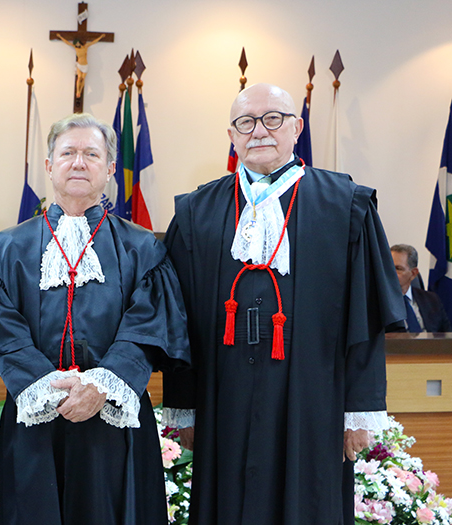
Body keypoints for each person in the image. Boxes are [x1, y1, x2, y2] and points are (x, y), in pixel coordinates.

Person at [162, 83, 405, 525]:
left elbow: (366, 318)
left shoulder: (346, 205)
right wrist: (185, 405)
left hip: (315, 399)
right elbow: (180, 321)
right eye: (246, 122)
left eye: (273, 118)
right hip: (223, 397)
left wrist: (360, 409)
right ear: (232, 136)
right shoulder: (197, 212)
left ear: (297, 127)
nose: (260, 131)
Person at [0, 113, 190, 525]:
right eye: (68, 153)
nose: (78, 162)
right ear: (49, 165)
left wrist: (101, 385)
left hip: (116, 419)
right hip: (36, 416)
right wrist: (45, 386)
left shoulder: (143, 249)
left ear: (110, 168)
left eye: (91, 154)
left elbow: (149, 324)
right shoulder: (6, 248)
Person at [391, 243, 451, 332]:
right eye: (388, 267)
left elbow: (447, 336)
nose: (391, 273)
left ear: (413, 273)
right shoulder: (375, 302)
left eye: (398, 268)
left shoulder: (432, 300)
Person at [56, 33, 106, 99]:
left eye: (77, 44)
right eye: (75, 44)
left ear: (79, 42)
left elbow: (93, 42)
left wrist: (101, 37)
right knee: (79, 77)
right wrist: (60, 36)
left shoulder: (85, 46)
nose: (76, 45)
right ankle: (78, 91)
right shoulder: (75, 48)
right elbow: (67, 42)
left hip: (85, 66)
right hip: (79, 65)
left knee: (83, 78)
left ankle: (81, 90)